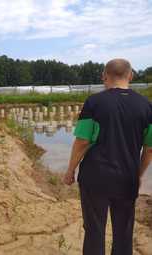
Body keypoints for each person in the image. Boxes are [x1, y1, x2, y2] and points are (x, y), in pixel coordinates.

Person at [63, 58, 152, 255]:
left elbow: (82, 141)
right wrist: (138, 175)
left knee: (94, 231)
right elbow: (149, 148)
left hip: (95, 178)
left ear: (104, 76)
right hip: (127, 179)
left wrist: (70, 170)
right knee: (123, 233)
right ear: (131, 76)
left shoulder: (94, 102)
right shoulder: (146, 106)